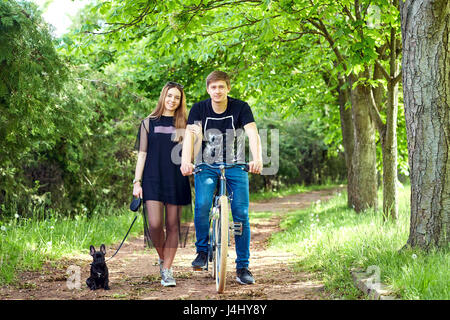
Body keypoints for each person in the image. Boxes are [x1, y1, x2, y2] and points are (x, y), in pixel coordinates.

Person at [180, 71, 262, 285]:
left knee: (241, 214)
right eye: (213, 87)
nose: (217, 91)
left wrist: (257, 158)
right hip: (206, 164)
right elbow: (190, 135)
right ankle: (202, 252)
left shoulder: (241, 107)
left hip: (235, 164)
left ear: (228, 88)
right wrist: (186, 161)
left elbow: (252, 133)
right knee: (203, 204)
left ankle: (243, 266)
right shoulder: (199, 108)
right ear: (208, 89)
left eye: (221, 87)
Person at [133, 81, 192, 287]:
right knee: (155, 225)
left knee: (173, 225)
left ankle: (167, 270)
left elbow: (190, 153)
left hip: (176, 179)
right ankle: (162, 257)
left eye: (177, 97)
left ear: (180, 101)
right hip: (152, 178)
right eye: (169, 96)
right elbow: (142, 154)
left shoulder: (185, 124)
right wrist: (136, 182)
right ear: (163, 97)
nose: (172, 100)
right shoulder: (148, 123)